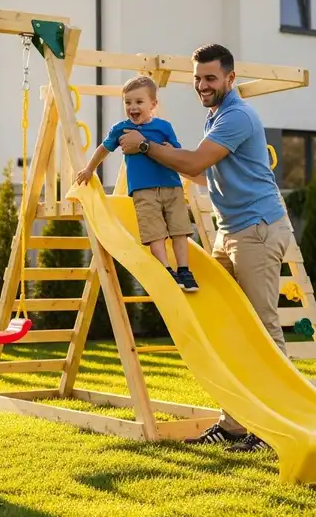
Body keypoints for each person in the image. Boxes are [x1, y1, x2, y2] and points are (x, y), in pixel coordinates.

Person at [117, 44, 290, 454]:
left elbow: (195, 165)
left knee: (263, 330)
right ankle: (233, 425)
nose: (202, 85)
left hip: (257, 231)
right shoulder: (215, 116)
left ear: (230, 78)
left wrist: (144, 146)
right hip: (228, 231)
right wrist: (157, 176)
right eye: (197, 77)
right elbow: (198, 174)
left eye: (210, 77)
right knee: (225, 328)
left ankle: (273, 426)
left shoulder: (236, 116)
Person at [75, 76, 198, 291]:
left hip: (171, 186)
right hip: (143, 190)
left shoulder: (164, 127)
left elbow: (177, 152)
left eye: (139, 102)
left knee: (180, 230)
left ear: (153, 105)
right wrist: (89, 169)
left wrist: (170, 149)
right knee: (155, 232)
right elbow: (104, 148)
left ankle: (184, 270)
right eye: (128, 102)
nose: (132, 107)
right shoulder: (120, 129)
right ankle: (166, 269)